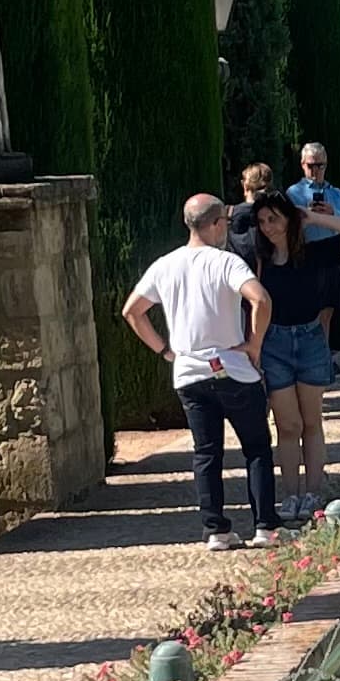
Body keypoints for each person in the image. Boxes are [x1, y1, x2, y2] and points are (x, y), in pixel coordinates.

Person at [122, 194, 278, 552]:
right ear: (213, 224)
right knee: (256, 447)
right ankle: (266, 526)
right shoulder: (226, 263)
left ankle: (216, 530)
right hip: (233, 367)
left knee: (206, 452)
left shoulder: (165, 265)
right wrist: (254, 344)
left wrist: (164, 350)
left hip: (189, 372)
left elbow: (133, 311)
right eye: (223, 221)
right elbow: (261, 300)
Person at [240, 187, 340, 519]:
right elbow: (233, 225)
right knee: (286, 424)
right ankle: (291, 495)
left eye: (275, 218)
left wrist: (312, 217)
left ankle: (313, 494)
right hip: (275, 344)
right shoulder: (258, 261)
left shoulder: (312, 252)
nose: (269, 227)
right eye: (263, 220)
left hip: (310, 340)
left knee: (312, 422)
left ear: (289, 218)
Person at [286, 139, 340, 342]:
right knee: (311, 307)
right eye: (311, 165)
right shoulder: (293, 193)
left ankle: (325, 354)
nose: (315, 170)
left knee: (328, 308)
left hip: (332, 252)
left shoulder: (336, 194)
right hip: (308, 252)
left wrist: (333, 213)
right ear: (302, 164)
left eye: (320, 165)